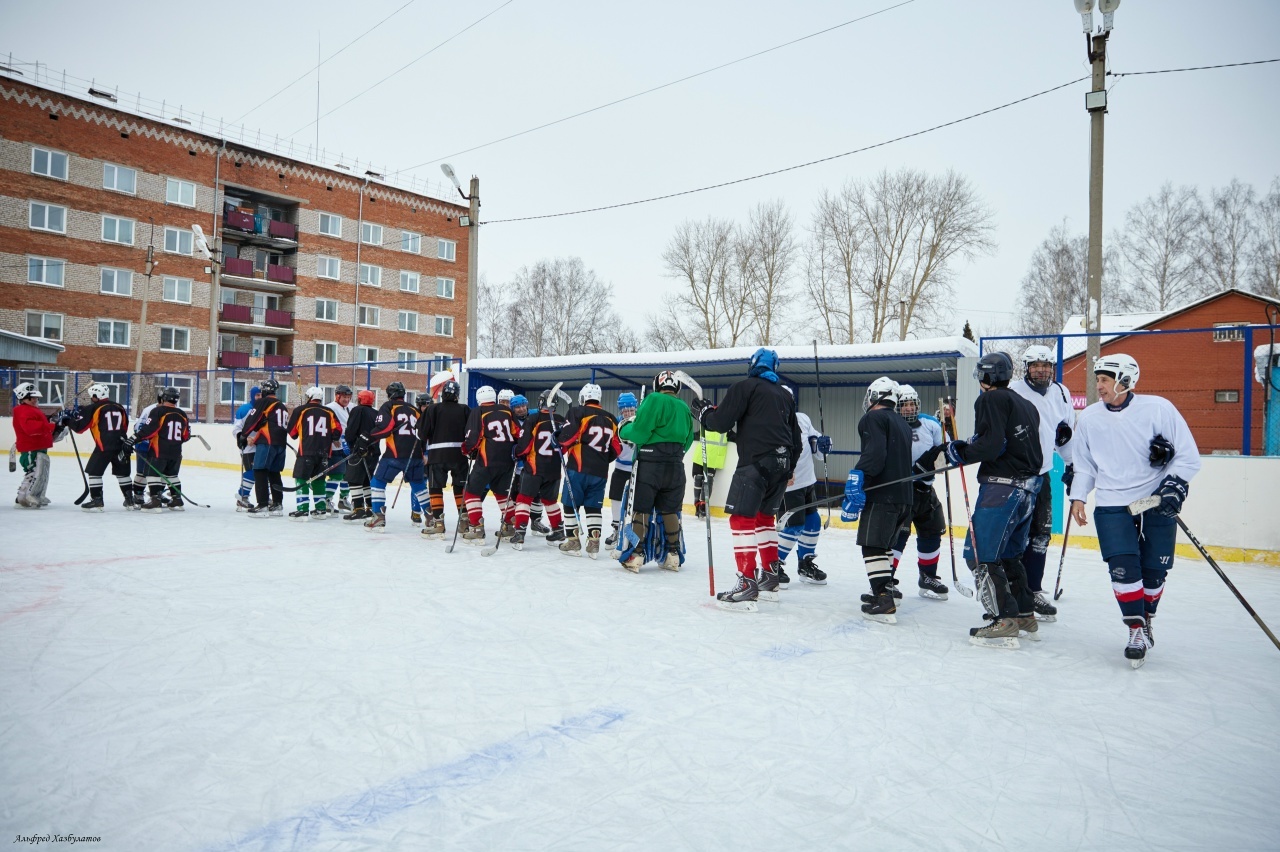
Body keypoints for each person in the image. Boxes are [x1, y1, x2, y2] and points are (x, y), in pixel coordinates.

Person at [1068, 354, 1201, 667]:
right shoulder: (1088, 418)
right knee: (1123, 567)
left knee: (1155, 569)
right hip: (1113, 500)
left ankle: (1148, 615)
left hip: (1152, 499)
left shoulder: (1158, 409)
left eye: (1104, 380)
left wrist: (1173, 484)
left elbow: (1188, 456)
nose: (1098, 386)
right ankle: (1136, 629)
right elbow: (1084, 465)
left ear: (1125, 381)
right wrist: (1078, 497)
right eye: (1097, 379)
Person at [941, 351, 1044, 648]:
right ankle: (1024, 613)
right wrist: (969, 445)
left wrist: (961, 453)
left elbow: (991, 446)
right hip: (1028, 489)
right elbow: (1005, 441)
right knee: (1009, 553)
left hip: (1002, 486)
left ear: (985, 376)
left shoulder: (989, 399)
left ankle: (1004, 619)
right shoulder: (1025, 404)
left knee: (979, 553)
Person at [694, 349, 802, 608]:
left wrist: (704, 414)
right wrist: (789, 469)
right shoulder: (786, 396)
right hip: (781, 463)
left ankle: (747, 581)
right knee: (765, 519)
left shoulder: (745, 387)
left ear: (752, 365)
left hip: (755, 463)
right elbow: (795, 440)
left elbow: (719, 423)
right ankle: (770, 576)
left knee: (742, 518)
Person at [1010, 345, 1076, 622]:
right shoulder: (1012, 391)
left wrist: (1072, 464)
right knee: (1015, 536)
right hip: (1013, 475)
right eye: (1036, 365)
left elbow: (1067, 431)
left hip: (1043, 473)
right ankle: (1013, 591)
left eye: (1046, 365)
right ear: (1026, 367)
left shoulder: (1061, 392)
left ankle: (1034, 590)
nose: (1042, 370)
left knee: (1040, 535)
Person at [841, 377, 914, 622]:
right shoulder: (902, 423)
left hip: (884, 494)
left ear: (874, 397)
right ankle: (883, 591)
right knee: (883, 546)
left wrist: (859, 476)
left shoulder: (872, 418)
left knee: (872, 545)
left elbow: (874, 454)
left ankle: (884, 599)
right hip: (905, 497)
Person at [618, 371, 695, 573]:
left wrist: (623, 429)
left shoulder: (653, 399)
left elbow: (640, 432)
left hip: (650, 465)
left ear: (657, 385)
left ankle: (636, 554)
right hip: (676, 466)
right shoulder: (684, 406)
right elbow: (687, 441)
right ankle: (673, 555)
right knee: (670, 510)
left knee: (641, 508)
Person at [889, 385, 950, 601]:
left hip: (925, 489)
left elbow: (943, 450)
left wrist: (947, 425)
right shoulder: (890, 424)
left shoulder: (930, 424)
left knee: (932, 532)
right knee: (898, 536)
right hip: (901, 491)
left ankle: (928, 577)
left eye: (911, 404)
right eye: (903, 405)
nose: (908, 408)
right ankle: (887, 580)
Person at [556, 383, 622, 558]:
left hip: (577, 468)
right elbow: (617, 448)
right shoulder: (611, 418)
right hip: (600, 472)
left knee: (570, 504)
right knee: (594, 507)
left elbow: (567, 437)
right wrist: (603, 459)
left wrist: (559, 438)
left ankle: (573, 541)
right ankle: (594, 544)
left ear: (583, 398)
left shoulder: (577, 412)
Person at [359, 381, 429, 532]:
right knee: (419, 485)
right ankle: (431, 517)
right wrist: (422, 453)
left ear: (390, 394)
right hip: (415, 455)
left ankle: (378, 516)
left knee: (377, 482)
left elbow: (384, 429)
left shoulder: (389, 406)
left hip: (394, 455)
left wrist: (367, 438)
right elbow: (423, 434)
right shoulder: (415, 410)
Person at [777, 407, 832, 585]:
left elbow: (815, 445)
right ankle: (773, 566)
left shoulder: (802, 418)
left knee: (813, 522)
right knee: (794, 526)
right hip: (788, 486)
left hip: (807, 482)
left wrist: (823, 444)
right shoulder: (771, 423)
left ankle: (805, 564)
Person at [459, 385, 520, 544]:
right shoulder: (507, 411)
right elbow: (518, 432)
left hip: (487, 459)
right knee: (502, 493)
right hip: (507, 460)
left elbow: (473, 436)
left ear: (480, 399)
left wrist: (466, 449)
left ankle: (476, 527)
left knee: (471, 492)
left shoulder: (478, 411)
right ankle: (510, 525)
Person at [509, 390, 568, 550]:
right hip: (554, 470)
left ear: (540, 402)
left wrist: (516, 452)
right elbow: (564, 446)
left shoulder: (532, 419)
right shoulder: (562, 421)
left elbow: (524, 447)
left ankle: (520, 532)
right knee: (550, 501)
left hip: (535, 468)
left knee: (523, 498)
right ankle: (558, 530)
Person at [420, 379, 471, 539]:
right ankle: (464, 521)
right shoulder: (465, 409)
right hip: (459, 456)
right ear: (457, 395)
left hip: (437, 455)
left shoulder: (432, 409)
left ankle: (438, 523)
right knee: (460, 488)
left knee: (435, 488)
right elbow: (472, 432)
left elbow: (421, 434)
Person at [69, 383, 132, 511]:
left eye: (92, 396)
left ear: (96, 395)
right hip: (121, 444)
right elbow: (124, 426)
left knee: (94, 473)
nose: (91, 398)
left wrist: (67, 420)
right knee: (123, 474)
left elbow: (79, 428)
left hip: (104, 446)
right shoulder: (119, 407)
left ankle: (97, 500)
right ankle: (130, 500)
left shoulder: (93, 408)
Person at [287, 386, 343, 519]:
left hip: (306, 451)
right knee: (319, 480)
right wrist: (332, 438)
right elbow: (338, 430)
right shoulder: (329, 411)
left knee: (302, 479)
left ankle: (302, 510)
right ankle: (320, 510)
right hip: (324, 453)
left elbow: (292, 432)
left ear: (309, 397)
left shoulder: (301, 410)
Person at [132, 387, 191, 512]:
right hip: (176, 452)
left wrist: (133, 439)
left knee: (152, 474)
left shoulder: (158, 411)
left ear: (163, 397)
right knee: (172, 475)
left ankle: (155, 501)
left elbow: (148, 430)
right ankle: (177, 500)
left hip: (159, 450)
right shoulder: (182, 413)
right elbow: (186, 436)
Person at [241, 378, 289, 517]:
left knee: (259, 470)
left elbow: (252, 419)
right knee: (274, 473)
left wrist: (244, 435)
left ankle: (262, 505)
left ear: (265, 390)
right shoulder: (282, 405)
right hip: (281, 444)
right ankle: (277, 504)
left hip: (268, 441)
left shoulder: (263, 402)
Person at [12, 382, 55, 509]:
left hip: (39, 445)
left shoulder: (31, 409)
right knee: (33, 471)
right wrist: (52, 426)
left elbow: (38, 423)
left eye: (37, 397)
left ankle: (35, 494)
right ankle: (22, 498)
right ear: (24, 397)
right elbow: (30, 428)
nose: (36, 399)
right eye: (33, 397)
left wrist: (49, 421)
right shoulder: (23, 410)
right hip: (31, 446)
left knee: (40, 472)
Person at [604, 392, 638, 547]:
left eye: (630, 409)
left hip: (637, 469)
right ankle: (617, 530)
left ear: (635, 408)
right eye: (624, 409)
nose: (627, 412)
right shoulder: (616, 425)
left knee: (636, 501)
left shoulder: (641, 422)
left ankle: (636, 531)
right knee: (616, 498)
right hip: (620, 468)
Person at [342, 390, 378, 522]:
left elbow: (351, 431)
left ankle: (358, 509)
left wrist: (351, 446)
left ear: (359, 399)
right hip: (374, 452)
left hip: (359, 451)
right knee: (366, 480)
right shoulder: (376, 413)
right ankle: (369, 508)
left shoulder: (357, 410)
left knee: (353, 479)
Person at [130, 389, 165, 508]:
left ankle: (157, 494)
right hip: (144, 445)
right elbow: (139, 427)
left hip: (159, 447)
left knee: (161, 472)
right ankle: (138, 496)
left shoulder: (169, 410)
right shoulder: (150, 410)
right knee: (142, 472)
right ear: (161, 399)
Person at [324, 385, 354, 513]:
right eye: (344, 397)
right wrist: (333, 438)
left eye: (348, 397)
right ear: (337, 396)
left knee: (348, 475)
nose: (346, 400)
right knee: (337, 475)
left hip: (348, 446)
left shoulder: (351, 407)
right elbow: (326, 426)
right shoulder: (330, 408)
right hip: (335, 447)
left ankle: (343, 500)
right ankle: (326, 499)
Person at [231, 386, 261, 510]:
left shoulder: (263, 409)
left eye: (261, 395)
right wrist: (245, 438)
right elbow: (236, 429)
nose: (259, 397)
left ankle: (265, 497)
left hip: (260, 447)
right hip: (248, 448)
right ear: (252, 395)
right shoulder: (244, 410)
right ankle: (242, 496)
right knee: (253, 472)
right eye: (257, 395)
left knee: (262, 472)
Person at [692, 426, 729, 519]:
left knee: (706, 480)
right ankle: (699, 505)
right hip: (702, 455)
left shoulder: (724, 421)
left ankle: (703, 505)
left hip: (712, 457)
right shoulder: (706, 418)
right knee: (699, 478)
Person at [410, 392, 434, 525]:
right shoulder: (415, 417)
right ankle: (416, 511)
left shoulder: (434, 416)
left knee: (431, 485)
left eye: (428, 404)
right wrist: (422, 453)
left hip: (432, 454)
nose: (426, 407)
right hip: (419, 455)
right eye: (424, 405)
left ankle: (430, 512)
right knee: (419, 483)